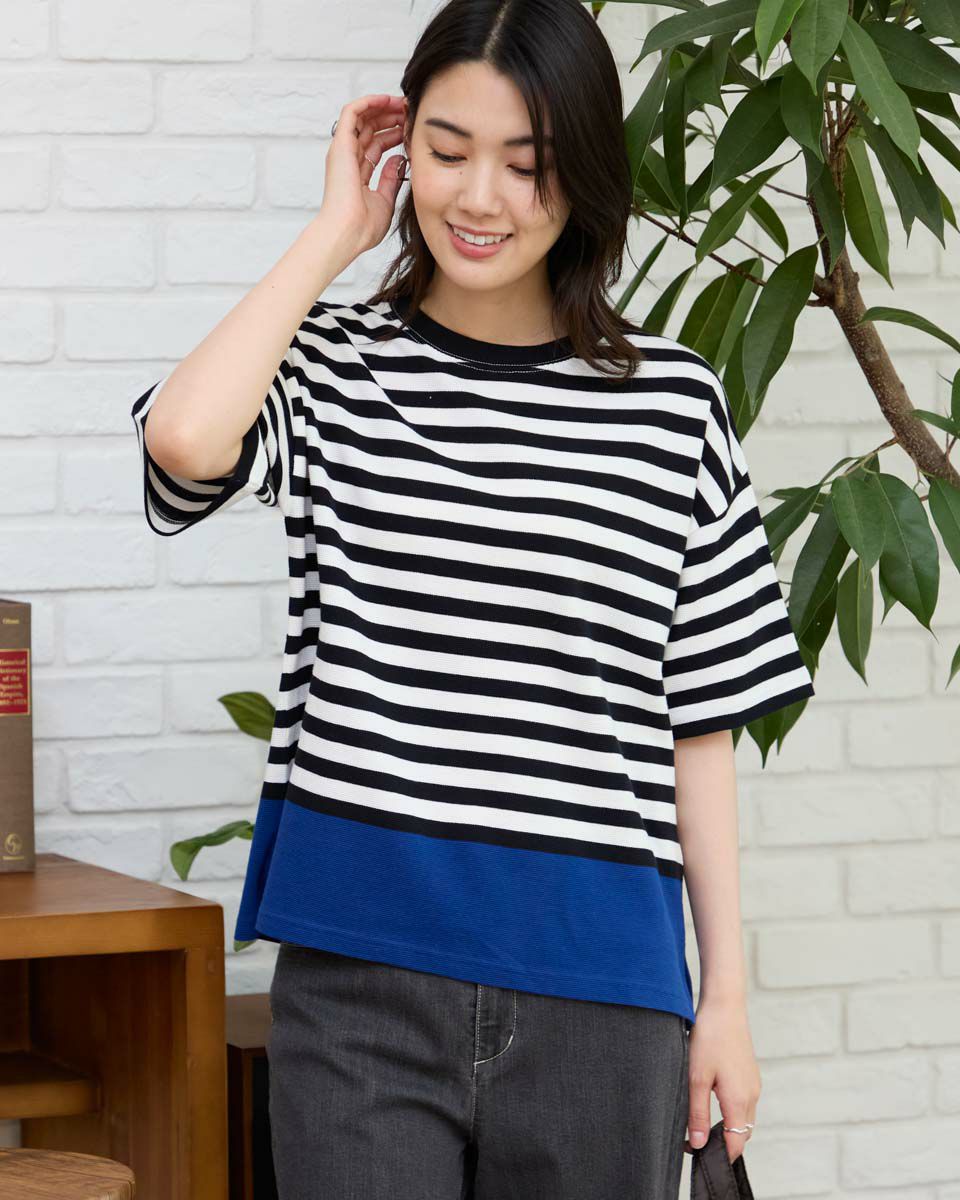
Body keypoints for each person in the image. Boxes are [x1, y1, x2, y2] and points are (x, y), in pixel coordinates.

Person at [130, 1, 815, 1196]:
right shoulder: (334, 368)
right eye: (447, 153)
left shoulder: (673, 406)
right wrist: (334, 233)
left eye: (527, 163)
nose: (480, 198)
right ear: (404, 154)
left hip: (603, 995)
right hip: (362, 981)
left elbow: (697, 723)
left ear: (583, 173)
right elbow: (186, 440)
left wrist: (727, 1004)